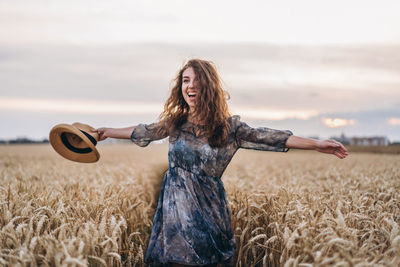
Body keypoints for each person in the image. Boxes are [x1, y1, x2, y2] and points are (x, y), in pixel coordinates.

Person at [93, 59, 348, 266]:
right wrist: (105, 132)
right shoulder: (176, 123)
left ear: (209, 87)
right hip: (174, 214)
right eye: (185, 80)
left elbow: (271, 137)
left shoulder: (229, 128)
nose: (190, 86)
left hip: (209, 213)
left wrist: (316, 144)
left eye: (196, 81)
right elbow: (142, 131)